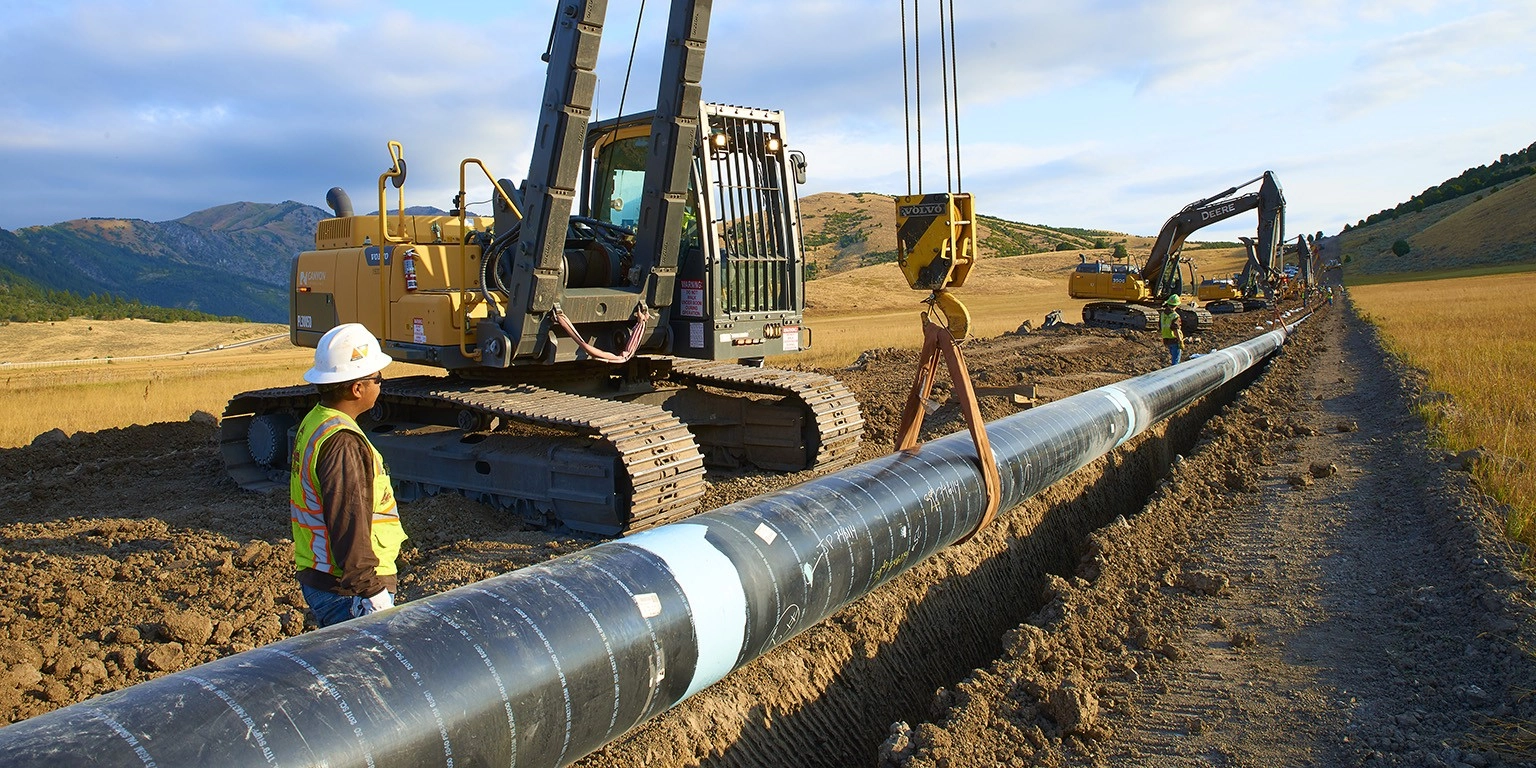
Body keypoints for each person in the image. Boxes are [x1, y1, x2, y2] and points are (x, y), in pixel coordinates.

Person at [290, 323, 407, 628]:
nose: (380, 386)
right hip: (346, 590)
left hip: (329, 579)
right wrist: (370, 591)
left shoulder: (317, 420)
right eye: (377, 379)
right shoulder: (342, 441)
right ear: (357, 388)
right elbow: (348, 518)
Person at [1158, 294, 1184, 366]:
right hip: (1174, 339)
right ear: (1176, 305)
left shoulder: (1163, 314)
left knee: (1173, 357)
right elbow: (1175, 329)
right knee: (1175, 361)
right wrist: (1180, 341)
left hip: (1166, 339)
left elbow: (1161, 326)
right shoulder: (1175, 316)